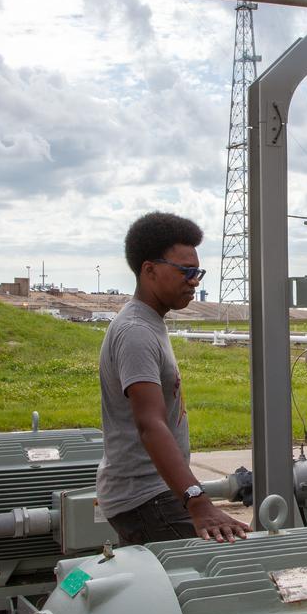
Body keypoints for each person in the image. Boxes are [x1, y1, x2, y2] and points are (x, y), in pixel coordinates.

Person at [96, 212, 250, 545]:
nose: (195, 281)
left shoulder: (150, 322)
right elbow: (150, 424)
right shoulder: (136, 331)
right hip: (147, 498)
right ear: (149, 270)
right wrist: (198, 501)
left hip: (154, 493)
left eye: (198, 272)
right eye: (186, 271)